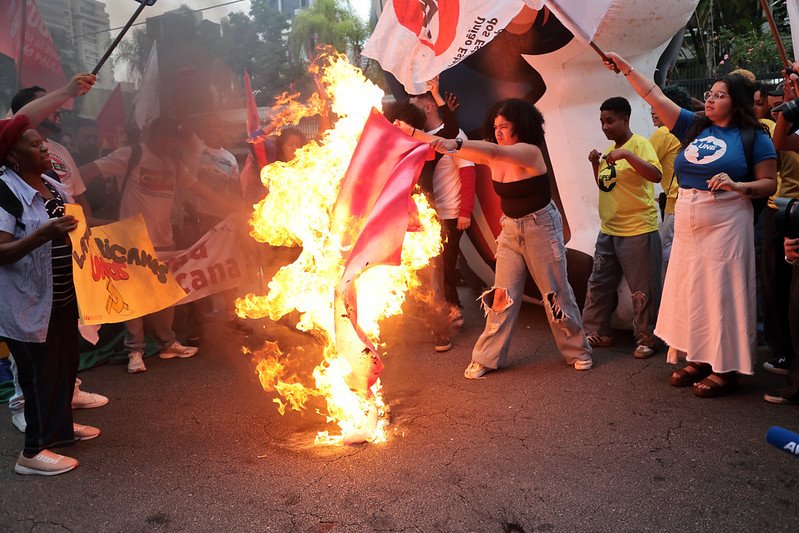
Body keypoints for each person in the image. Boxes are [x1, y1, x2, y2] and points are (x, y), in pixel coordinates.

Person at [604, 53, 777, 397]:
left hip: (727, 223)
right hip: (688, 221)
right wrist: (626, 68)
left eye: (720, 95)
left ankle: (725, 368)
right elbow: (654, 95)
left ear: (737, 102)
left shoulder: (754, 137)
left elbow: (769, 183)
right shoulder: (694, 126)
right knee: (692, 290)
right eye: (710, 93)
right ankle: (698, 357)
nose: (710, 99)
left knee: (722, 293)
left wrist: (738, 185)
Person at [396, 99, 593, 378]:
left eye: (505, 126)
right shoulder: (494, 155)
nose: (498, 131)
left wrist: (451, 143)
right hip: (510, 229)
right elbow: (454, 147)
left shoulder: (529, 152)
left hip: (541, 227)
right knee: (502, 295)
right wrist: (414, 133)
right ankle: (486, 357)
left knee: (555, 292)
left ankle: (578, 351)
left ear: (520, 127)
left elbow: (488, 150)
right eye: (496, 126)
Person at [80, 117, 239, 374]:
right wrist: (76, 203)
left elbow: (200, 189)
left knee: (166, 295)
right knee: (133, 297)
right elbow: (83, 173)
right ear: (153, 135)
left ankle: (168, 343)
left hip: (165, 241)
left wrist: (233, 208)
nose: (171, 143)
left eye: (174, 138)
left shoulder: (173, 164)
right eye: (166, 136)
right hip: (130, 241)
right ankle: (135, 351)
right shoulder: (131, 154)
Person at [0, 73, 101, 475]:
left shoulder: (51, 183)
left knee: (64, 367)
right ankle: (32, 453)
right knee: (38, 376)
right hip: (26, 303)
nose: (45, 147)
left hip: (62, 296)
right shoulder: (4, 191)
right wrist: (43, 234)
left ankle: (59, 432)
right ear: (12, 156)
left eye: (43, 142)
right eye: (34, 144)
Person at [584, 96, 663, 359]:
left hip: (637, 229)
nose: (605, 127)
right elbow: (606, 186)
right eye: (601, 122)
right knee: (599, 283)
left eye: (610, 121)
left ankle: (647, 337)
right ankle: (598, 331)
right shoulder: (610, 152)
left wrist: (628, 155)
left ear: (625, 119)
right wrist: (596, 164)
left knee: (642, 289)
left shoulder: (639, 144)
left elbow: (656, 175)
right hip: (609, 230)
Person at [410, 80, 476, 340]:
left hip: (450, 213)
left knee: (445, 265)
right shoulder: (419, 137)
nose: (410, 112)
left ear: (427, 107)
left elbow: (468, 173)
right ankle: (445, 312)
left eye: (414, 106)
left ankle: (453, 312)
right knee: (436, 266)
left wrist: (465, 212)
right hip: (429, 215)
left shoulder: (454, 136)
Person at [651, 85, 693, 273]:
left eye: (657, 106)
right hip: (694, 199)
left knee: (666, 250)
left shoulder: (663, 133)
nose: (652, 111)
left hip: (675, 202)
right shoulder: (692, 128)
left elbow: (645, 164)